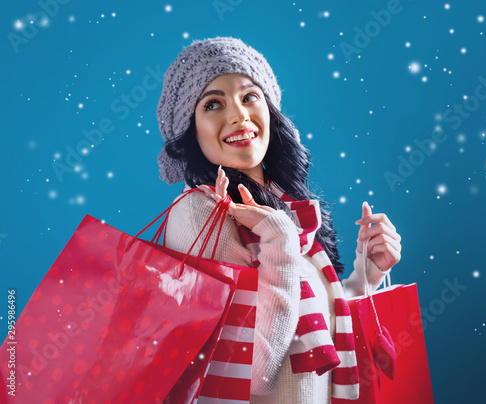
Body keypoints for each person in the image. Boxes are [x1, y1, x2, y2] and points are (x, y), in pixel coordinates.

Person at [155, 37, 403, 403]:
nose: (238, 115)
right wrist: (280, 239)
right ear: (191, 130)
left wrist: (365, 274)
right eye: (212, 104)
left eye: (249, 96)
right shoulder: (200, 214)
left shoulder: (283, 203)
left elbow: (309, 323)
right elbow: (254, 372)